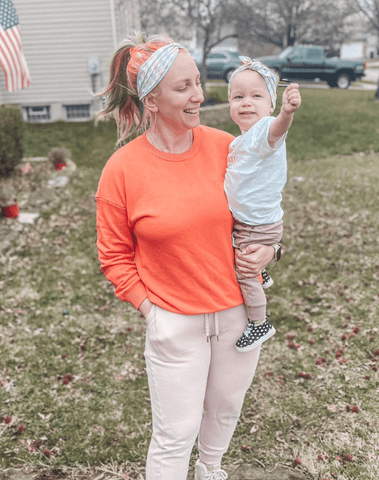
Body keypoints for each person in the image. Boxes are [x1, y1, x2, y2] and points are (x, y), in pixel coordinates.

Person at [95, 33, 275, 480]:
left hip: (237, 317)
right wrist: (152, 312)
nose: (199, 96)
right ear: (151, 99)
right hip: (174, 323)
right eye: (184, 88)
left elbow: (261, 211)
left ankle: (212, 470)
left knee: (224, 413)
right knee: (175, 434)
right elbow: (114, 256)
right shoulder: (122, 170)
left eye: (198, 82)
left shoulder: (225, 148)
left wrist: (270, 249)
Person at [224, 57, 301, 353]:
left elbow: (278, 130)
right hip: (251, 221)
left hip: (257, 225)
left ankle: (259, 323)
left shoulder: (264, 129)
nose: (246, 103)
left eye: (256, 96)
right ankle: (264, 272)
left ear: (270, 104)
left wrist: (286, 113)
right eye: (238, 97)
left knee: (244, 270)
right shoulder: (239, 140)